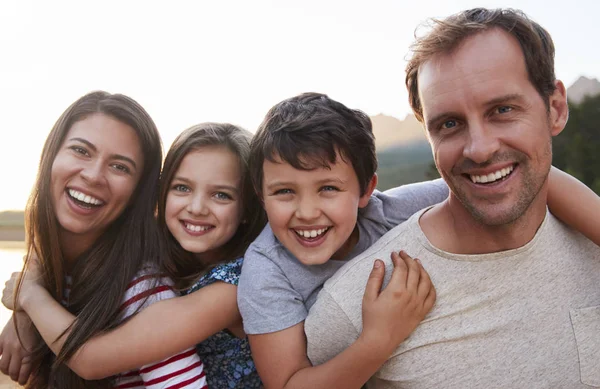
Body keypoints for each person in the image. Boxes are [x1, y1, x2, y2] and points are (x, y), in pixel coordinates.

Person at [304, 8, 600, 388]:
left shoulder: (590, 242)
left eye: (503, 110)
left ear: (555, 109)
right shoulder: (359, 303)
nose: (479, 149)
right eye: (449, 124)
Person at [3, 123, 268, 388]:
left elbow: (91, 360)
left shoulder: (238, 284)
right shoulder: (159, 247)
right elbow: (53, 233)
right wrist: (24, 313)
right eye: (182, 188)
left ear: (247, 207)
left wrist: (29, 296)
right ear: (161, 194)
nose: (196, 207)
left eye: (221, 195)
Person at [238, 92, 451, 389]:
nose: (307, 213)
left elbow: (463, 188)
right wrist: (379, 339)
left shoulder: (385, 212)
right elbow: (288, 383)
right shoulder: (266, 271)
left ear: (366, 190)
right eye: (284, 191)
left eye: (327, 188)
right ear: (262, 197)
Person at [0, 91, 207, 388]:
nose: (94, 175)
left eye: (120, 167)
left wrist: (28, 297)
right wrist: (25, 309)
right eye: (81, 150)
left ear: (138, 192)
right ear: (51, 155)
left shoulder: (143, 292)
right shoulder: (53, 268)